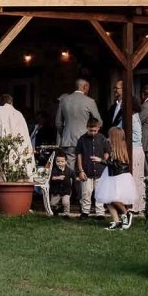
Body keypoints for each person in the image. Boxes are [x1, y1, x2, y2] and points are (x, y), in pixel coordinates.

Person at [57, 79, 101, 208]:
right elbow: (99, 121)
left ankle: (67, 201)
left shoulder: (64, 100)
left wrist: (64, 133)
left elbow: (58, 123)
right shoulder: (90, 101)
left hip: (68, 140)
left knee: (68, 171)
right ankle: (83, 201)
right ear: (85, 87)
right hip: (85, 141)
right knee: (84, 169)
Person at [96, 126, 138, 230]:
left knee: (114, 199)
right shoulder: (112, 148)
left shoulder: (119, 149)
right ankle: (116, 221)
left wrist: (101, 161)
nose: (108, 138)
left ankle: (126, 213)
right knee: (108, 200)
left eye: (110, 136)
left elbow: (117, 164)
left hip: (119, 177)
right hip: (110, 176)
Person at [75, 116, 111, 218]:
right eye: (91, 131)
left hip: (100, 170)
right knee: (86, 192)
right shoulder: (82, 139)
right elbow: (79, 155)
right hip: (87, 170)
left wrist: (103, 161)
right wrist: (81, 170)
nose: (93, 132)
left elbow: (107, 151)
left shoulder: (102, 138)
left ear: (98, 128)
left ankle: (100, 213)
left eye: (95, 130)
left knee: (99, 192)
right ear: (87, 127)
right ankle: (85, 211)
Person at [47, 151, 71, 216]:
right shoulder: (54, 170)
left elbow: (73, 176)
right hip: (56, 190)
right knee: (52, 203)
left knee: (66, 202)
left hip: (66, 191)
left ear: (66, 162)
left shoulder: (69, 170)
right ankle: (56, 209)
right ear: (55, 162)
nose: (60, 163)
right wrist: (58, 177)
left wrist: (77, 178)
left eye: (62, 161)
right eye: (58, 161)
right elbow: (51, 177)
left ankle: (66, 214)